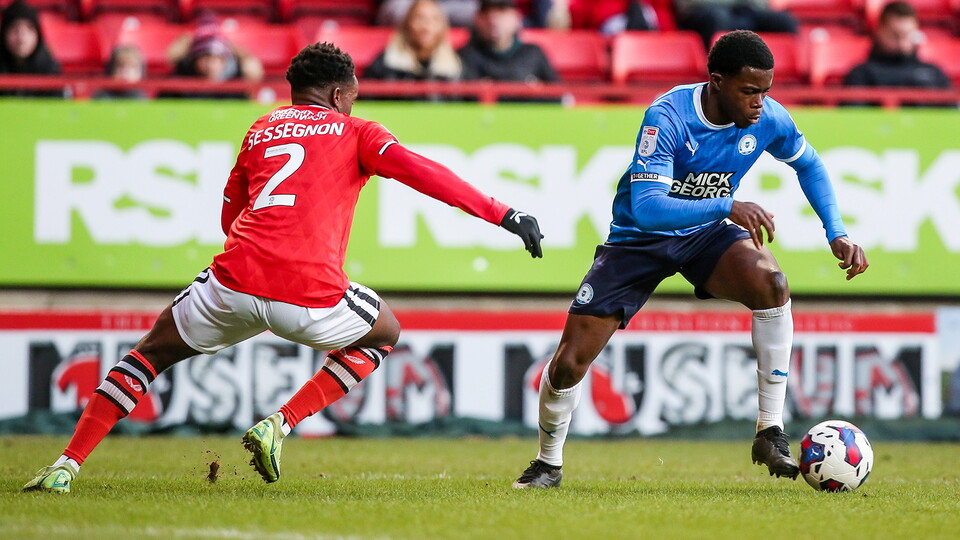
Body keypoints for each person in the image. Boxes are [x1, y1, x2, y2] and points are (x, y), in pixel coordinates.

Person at [23, 42, 544, 494]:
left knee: (146, 356)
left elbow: (230, 213)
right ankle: (281, 422)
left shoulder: (261, 129)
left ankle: (66, 466)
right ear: (340, 95)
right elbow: (426, 174)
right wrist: (504, 213)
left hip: (234, 281)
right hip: (310, 296)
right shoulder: (357, 131)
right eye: (354, 95)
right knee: (384, 331)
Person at [512, 30, 868, 489]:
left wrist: (836, 233)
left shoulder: (768, 118)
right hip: (638, 241)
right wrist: (726, 205)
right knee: (568, 364)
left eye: (766, 91)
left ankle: (769, 430)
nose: (759, 102)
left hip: (704, 237)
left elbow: (810, 164)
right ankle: (547, 463)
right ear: (716, 82)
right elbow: (648, 207)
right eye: (749, 91)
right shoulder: (668, 117)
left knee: (772, 284)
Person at [844, 1, 951, 91]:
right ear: (879, 32)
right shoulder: (861, 74)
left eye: (908, 34)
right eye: (895, 35)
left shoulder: (933, 74)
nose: (902, 41)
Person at [161, 13, 264, 99]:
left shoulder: (236, 84)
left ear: (224, 59)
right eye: (205, 57)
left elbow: (254, 74)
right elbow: (170, 58)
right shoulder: (180, 80)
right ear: (194, 59)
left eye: (216, 58)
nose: (210, 64)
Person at [458, 0, 558, 83]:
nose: (492, 19)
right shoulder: (465, 56)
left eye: (501, 11)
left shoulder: (534, 54)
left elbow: (560, 97)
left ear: (517, 18)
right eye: (486, 12)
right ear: (477, 18)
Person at [366, 0, 463, 83]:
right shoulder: (384, 65)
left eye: (435, 20)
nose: (426, 27)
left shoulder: (457, 69)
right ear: (406, 25)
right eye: (419, 18)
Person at [674, 0, 797, 49]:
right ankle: (722, 71)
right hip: (702, 12)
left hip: (742, 11)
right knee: (718, 18)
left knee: (784, 21)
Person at [0, 0, 62, 96]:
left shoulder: (50, 70)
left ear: (38, 35)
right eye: (14, 28)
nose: (21, 37)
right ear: (4, 34)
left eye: (29, 28)